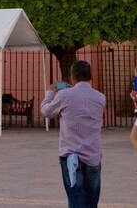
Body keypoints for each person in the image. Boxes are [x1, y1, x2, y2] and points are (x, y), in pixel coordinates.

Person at [41, 60, 106, 208]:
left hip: (71, 155)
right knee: (91, 201)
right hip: (93, 155)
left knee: (76, 199)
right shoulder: (100, 97)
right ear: (90, 76)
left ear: (72, 77)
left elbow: (46, 111)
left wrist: (50, 92)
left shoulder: (64, 95)